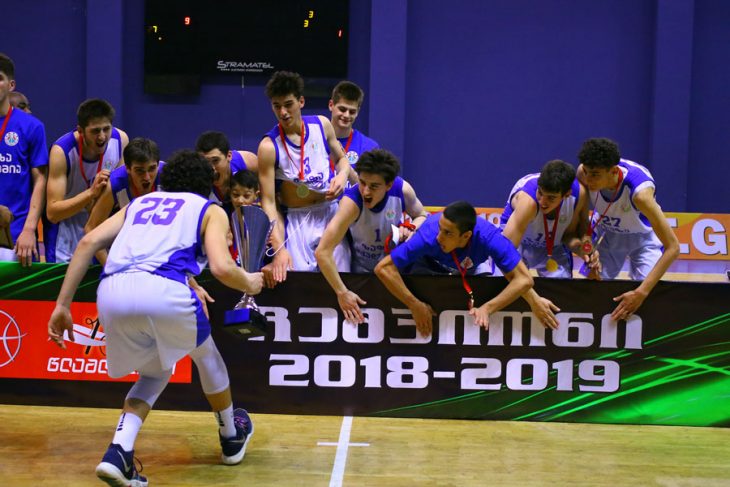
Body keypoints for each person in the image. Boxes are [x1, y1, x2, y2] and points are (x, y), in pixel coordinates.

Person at [48, 150, 264, 486]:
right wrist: (250, 282)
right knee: (207, 355)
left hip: (111, 292)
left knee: (154, 372)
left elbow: (88, 241)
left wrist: (63, 305)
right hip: (164, 290)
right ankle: (231, 435)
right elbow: (222, 268)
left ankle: (119, 451)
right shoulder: (209, 209)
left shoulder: (138, 203)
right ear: (207, 185)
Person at [374, 201, 534, 336]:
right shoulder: (428, 236)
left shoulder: (489, 237)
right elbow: (383, 268)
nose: (439, 237)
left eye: (448, 233)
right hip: (429, 264)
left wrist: (488, 308)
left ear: (466, 236)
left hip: (471, 267)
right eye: (440, 228)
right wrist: (414, 304)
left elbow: (525, 279)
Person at [257, 70, 351, 280]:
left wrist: (343, 175)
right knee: (300, 283)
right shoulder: (269, 147)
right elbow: (268, 202)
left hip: (330, 212)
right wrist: (279, 248)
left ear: (301, 101)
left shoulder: (322, 125)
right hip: (298, 218)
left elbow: (342, 159)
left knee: (342, 277)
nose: (283, 112)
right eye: (276, 106)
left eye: (288, 104)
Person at [315, 149, 427, 324]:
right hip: (360, 270)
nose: (366, 191)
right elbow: (322, 252)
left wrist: (410, 227)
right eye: (362, 182)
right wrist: (342, 292)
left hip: (392, 267)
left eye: (374, 186)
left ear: (389, 185)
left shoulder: (402, 190)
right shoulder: (351, 203)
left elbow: (422, 215)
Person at [577, 137, 680, 320]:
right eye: (586, 172)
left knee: (647, 293)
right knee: (592, 282)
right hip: (608, 232)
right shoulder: (583, 173)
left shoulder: (640, 194)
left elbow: (673, 248)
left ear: (614, 171)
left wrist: (641, 292)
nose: (588, 179)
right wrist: (589, 248)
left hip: (643, 238)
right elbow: (583, 221)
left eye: (595, 175)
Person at [45, 98, 129, 263]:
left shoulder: (121, 140)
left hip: (98, 221)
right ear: (81, 131)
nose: (102, 136)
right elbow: (53, 214)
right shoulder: (61, 151)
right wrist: (91, 193)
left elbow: (122, 197)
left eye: (106, 129)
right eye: (95, 131)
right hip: (65, 224)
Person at [0, 53, 48, 266]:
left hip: (17, 236)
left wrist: (29, 229)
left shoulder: (32, 127)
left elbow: (40, 181)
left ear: (11, 85)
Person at [84, 137, 163, 265]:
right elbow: (91, 228)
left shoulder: (168, 177)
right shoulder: (114, 184)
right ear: (128, 168)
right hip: (116, 250)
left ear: (158, 165)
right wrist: (110, 267)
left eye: (152, 169)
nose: (147, 177)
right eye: (140, 171)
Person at [328, 80, 379, 185]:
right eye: (342, 109)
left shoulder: (369, 147)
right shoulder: (314, 139)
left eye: (352, 111)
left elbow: (368, 189)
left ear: (358, 112)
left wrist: (342, 160)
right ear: (331, 105)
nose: (346, 115)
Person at [195, 130, 258, 211]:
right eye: (205, 162)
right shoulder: (196, 182)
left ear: (229, 156)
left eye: (215, 160)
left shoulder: (249, 163)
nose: (211, 168)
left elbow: (268, 199)